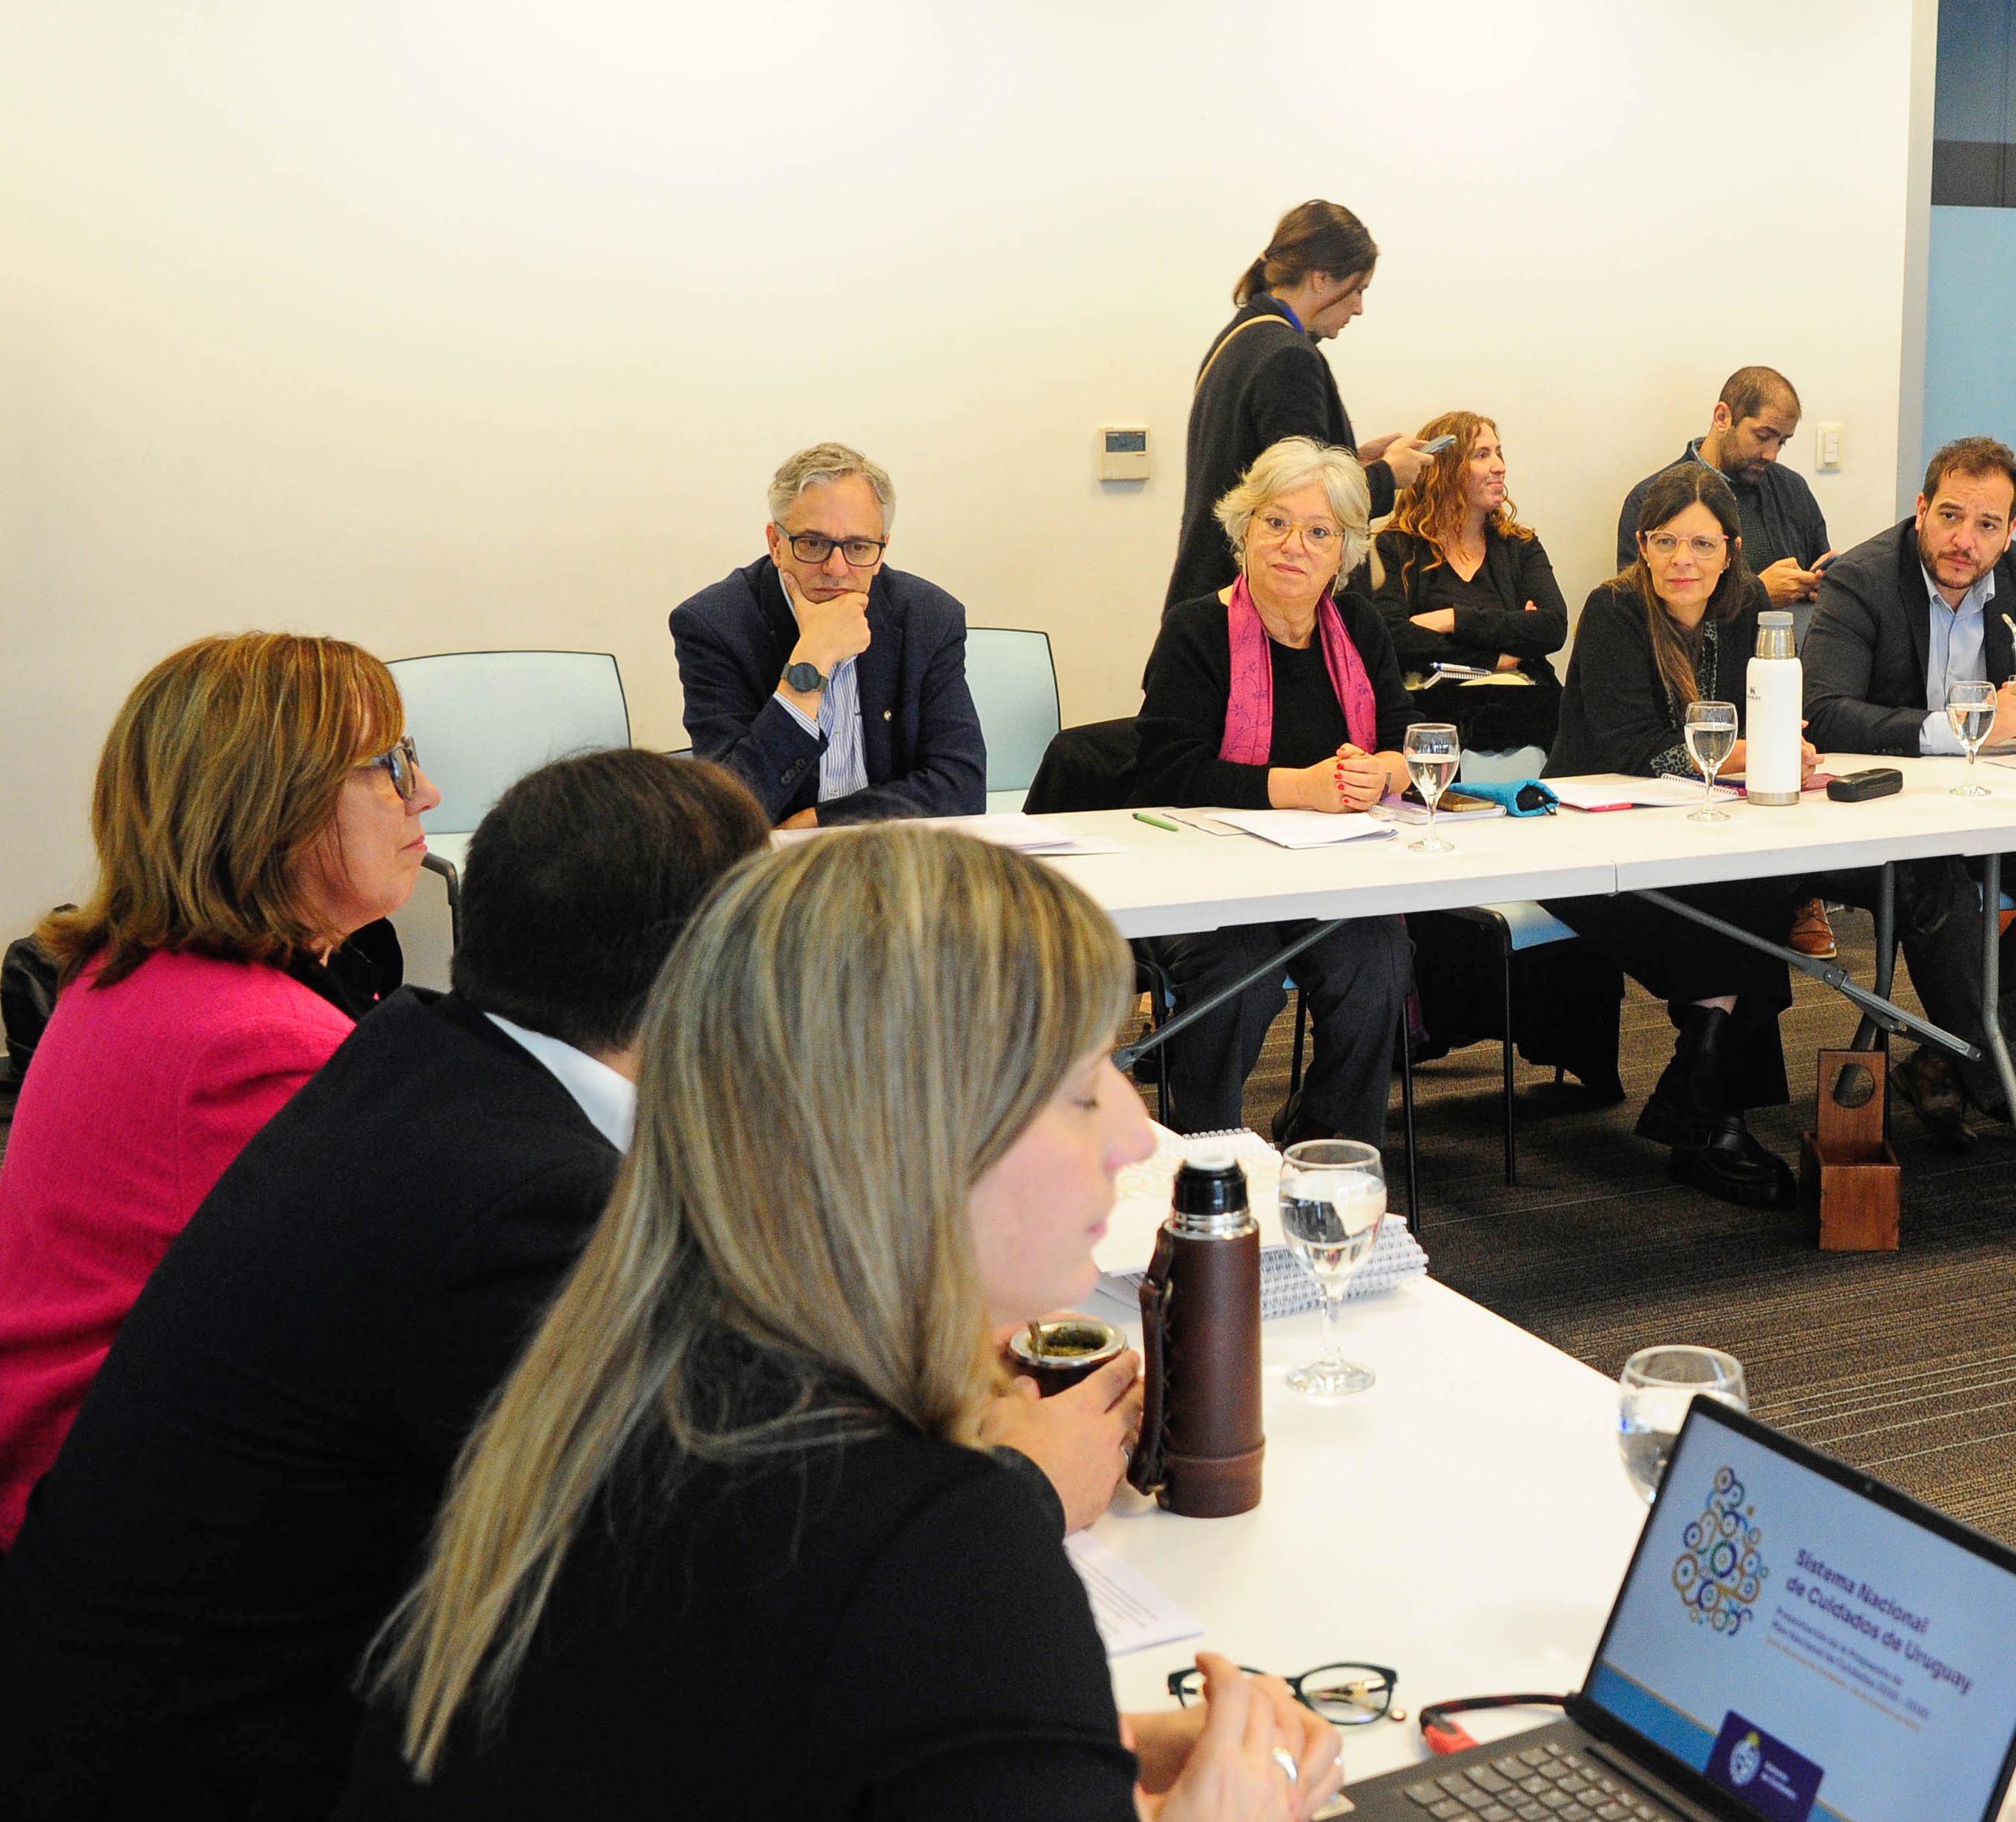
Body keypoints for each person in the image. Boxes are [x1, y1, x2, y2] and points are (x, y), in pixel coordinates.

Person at [1, 755, 930, 1817]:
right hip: (216, 1769)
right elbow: (714, 1561)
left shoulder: (421, 1064)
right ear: (727, 961)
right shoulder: (523, 1201)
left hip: (122, 1702)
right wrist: (995, 1474)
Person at [338, 830, 1337, 1818]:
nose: (1130, 1132)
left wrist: (1064, 1749)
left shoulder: (622, 1382)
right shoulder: (940, 1539)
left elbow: (767, 1742)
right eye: (1079, 1088)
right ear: (907, 1143)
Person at [0, 634, 430, 1547]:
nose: (423, 794)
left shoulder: (133, 968)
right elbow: (410, 1327)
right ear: (275, 808)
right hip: (110, 1529)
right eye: (389, 767)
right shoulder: (255, 1045)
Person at [1802, 438, 2016, 1151]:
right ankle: (2003, 1085)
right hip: (1876, 825)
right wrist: (1962, 728)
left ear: (2010, 532)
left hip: (1983, 812)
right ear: (1920, 509)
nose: (1963, 539)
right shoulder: (1861, 579)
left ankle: (1944, 1057)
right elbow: (1824, 712)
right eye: (1949, 515)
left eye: (1987, 525)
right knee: (1939, 881)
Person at [1548, 462, 1817, 1210]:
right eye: (1665, 542)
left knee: (1763, 891)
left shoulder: (1748, 607)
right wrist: (1748, 752)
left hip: (1699, 831)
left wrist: (1783, 743)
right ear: (1642, 543)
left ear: (1732, 549)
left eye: (1702, 544)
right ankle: (1705, 1112)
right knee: (1738, 926)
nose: (1683, 561)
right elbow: (1632, 745)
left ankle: (1699, 1099)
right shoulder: (1612, 610)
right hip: (1585, 842)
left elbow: (1769, 709)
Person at [1137, 440, 1416, 1144]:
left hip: (1331, 873)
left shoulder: (1359, 627)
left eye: (1319, 531)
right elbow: (1168, 773)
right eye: (1277, 523)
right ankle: (1204, 1156)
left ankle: (1330, 1148)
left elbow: (1412, 742)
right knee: (1240, 973)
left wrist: (1382, 772)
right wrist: (1305, 788)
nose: (1295, 546)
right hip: (1207, 882)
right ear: (1246, 527)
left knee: (1379, 961)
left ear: (1345, 549)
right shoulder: (1197, 629)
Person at [1615, 367, 1839, 958]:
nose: (1772, 452)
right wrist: (1751, 588)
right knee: (1736, 940)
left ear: (1728, 553)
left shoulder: (1789, 491)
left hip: (1772, 671)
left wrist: (1819, 581)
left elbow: (1814, 557)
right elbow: (1649, 604)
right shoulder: (1649, 505)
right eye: (1763, 435)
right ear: (1722, 417)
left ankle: (1794, 891)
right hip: (1659, 749)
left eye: (1783, 441)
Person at [671, 442, 988, 828]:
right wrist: (811, 660)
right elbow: (727, 812)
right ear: (776, 543)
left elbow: (962, 786)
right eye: (814, 543)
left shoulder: (930, 617)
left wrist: (825, 820)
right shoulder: (714, 624)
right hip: (774, 865)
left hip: (892, 854)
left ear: (883, 549)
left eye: (858, 547)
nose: (836, 568)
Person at [1166, 200, 1431, 611]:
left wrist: (1351, 459)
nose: (1359, 307)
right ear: (1322, 278)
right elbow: (1304, 504)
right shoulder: (1289, 358)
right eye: (1357, 289)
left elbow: (1260, 466)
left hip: (1214, 595)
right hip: (1262, 613)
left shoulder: (1240, 339)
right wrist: (1387, 476)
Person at [1370, 407, 1566, 756]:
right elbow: (1391, 638)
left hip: (1527, 711)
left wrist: (1451, 620)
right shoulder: (1395, 546)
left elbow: (1551, 627)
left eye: (1498, 453)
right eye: (1482, 455)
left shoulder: (1518, 545)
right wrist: (1494, 655)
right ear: (1442, 470)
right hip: (1432, 717)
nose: (1499, 466)